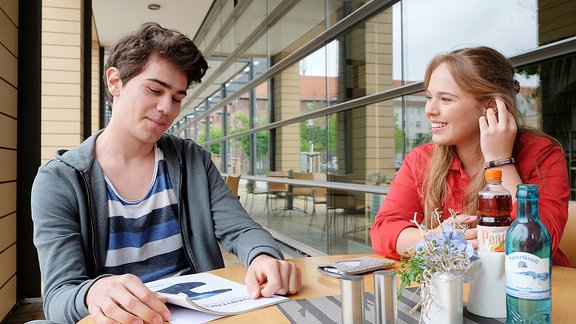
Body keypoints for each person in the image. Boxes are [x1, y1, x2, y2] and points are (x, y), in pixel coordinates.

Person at [31, 22, 301, 324]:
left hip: (198, 314)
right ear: (114, 82)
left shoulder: (192, 160)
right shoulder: (60, 181)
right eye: (155, 89)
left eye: (176, 98)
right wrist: (94, 292)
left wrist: (263, 256)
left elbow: (241, 229)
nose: (166, 108)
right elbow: (59, 296)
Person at [370, 46, 570, 267]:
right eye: (429, 97)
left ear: (491, 106)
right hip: (460, 289)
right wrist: (436, 241)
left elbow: (537, 245)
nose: (430, 110)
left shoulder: (542, 154)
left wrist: (500, 161)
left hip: (538, 291)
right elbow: (383, 231)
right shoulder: (421, 160)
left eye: (445, 99)